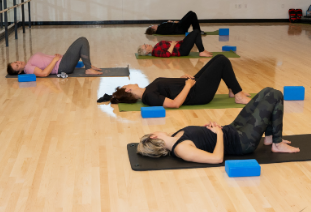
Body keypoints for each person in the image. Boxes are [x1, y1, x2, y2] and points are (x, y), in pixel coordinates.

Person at [136, 87, 300, 163]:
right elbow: (217, 158)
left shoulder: (175, 136)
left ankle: (270, 138)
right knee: (276, 95)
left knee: (267, 91)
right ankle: (277, 144)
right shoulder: (181, 149)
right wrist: (219, 134)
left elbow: (202, 139)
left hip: (233, 128)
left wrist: (209, 128)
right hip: (241, 141)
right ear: (154, 136)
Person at [111, 54, 250, 107]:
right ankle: (238, 96)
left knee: (217, 58)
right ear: (128, 89)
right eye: (126, 85)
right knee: (222, 60)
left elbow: (169, 89)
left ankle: (233, 90)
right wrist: (188, 86)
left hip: (192, 86)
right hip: (197, 93)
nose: (128, 83)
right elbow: (175, 103)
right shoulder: (149, 97)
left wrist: (182, 80)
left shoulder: (148, 89)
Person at [7, 37, 102, 76]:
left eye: (16, 62)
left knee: (82, 42)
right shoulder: (28, 69)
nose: (18, 62)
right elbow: (44, 74)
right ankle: (88, 68)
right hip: (62, 67)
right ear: (19, 71)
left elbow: (45, 61)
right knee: (82, 41)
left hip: (62, 62)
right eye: (17, 66)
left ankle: (88, 65)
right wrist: (55, 60)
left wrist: (55, 57)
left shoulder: (28, 62)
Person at [136, 26, 213, 58]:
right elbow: (167, 55)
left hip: (181, 45)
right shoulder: (155, 52)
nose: (147, 44)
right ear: (146, 52)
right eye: (145, 47)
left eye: (145, 44)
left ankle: (202, 50)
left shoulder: (155, 47)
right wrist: (172, 45)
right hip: (182, 50)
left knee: (196, 32)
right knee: (196, 31)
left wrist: (176, 42)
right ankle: (201, 51)